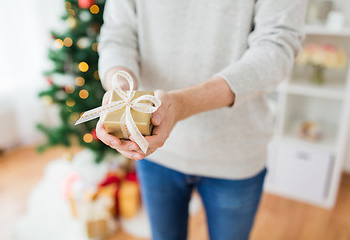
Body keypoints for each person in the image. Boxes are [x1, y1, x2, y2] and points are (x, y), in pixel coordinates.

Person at [96, 0, 307, 239]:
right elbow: (118, 35)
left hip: (235, 155)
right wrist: (120, 88)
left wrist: (182, 104)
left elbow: (275, 50)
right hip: (153, 150)